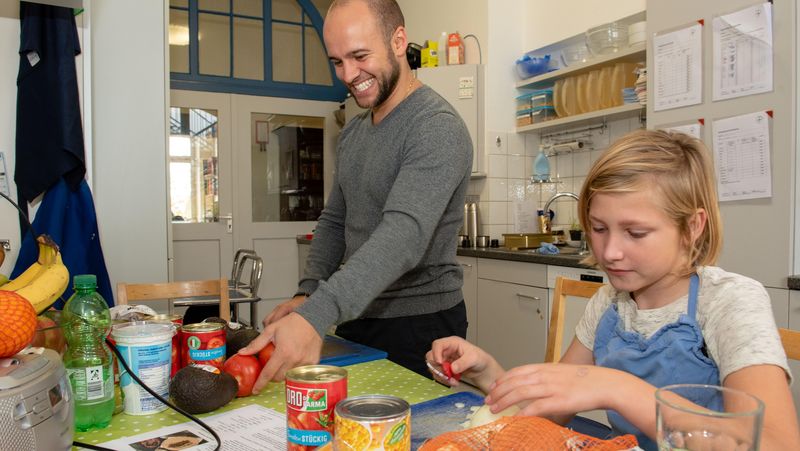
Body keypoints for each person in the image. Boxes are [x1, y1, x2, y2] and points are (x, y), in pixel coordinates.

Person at [427, 130, 800, 450]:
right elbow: (555, 405)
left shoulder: (728, 302)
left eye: (635, 233)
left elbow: (776, 444)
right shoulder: (610, 302)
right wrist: (489, 374)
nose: (609, 252)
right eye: (599, 228)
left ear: (692, 227)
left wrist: (620, 389)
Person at [241, 0, 473, 391]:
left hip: (418, 326)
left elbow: (402, 239)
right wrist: (309, 292)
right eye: (337, 62)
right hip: (356, 314)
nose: (349, 75)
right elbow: (335, 220)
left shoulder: (435, 127)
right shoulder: (355, 131)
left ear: (398, 40)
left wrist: (318, 313)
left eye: (360, 56)